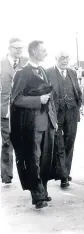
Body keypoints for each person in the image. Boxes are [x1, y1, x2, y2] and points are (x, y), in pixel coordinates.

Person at [10, 40, 57, 209]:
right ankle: (37, 196)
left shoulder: (43, 70)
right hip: (31, 125)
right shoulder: (22, 73)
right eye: (43, 50)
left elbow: (50, 99)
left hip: (46, 123)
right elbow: (16, 99)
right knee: (33, 159)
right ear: (34, 52)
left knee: (45, 159)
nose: (46, 53)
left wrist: (54, 120)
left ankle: (42, 190)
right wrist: (38, 100)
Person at [46, 51, 82, 188]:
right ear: (55, 59)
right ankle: (63, 176)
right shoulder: (48, 72)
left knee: (70, 142)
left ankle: (65, 171)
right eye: (61, 58)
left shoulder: (72, 73)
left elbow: (77, 91)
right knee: (59, 144)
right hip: (56, 114)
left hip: (72, 112)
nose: (64, 60)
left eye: (66, 57)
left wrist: (78, 107)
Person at [0, 38, 27, 184]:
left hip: (23, 109)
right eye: (16, 48)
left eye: (21, 48)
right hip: (6, 110)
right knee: (6, 142)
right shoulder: (1, 65)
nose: (19, 51)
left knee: (25, 142)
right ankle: (6, 175)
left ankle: (26, 173)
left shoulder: (26, 64)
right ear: (9, 48)